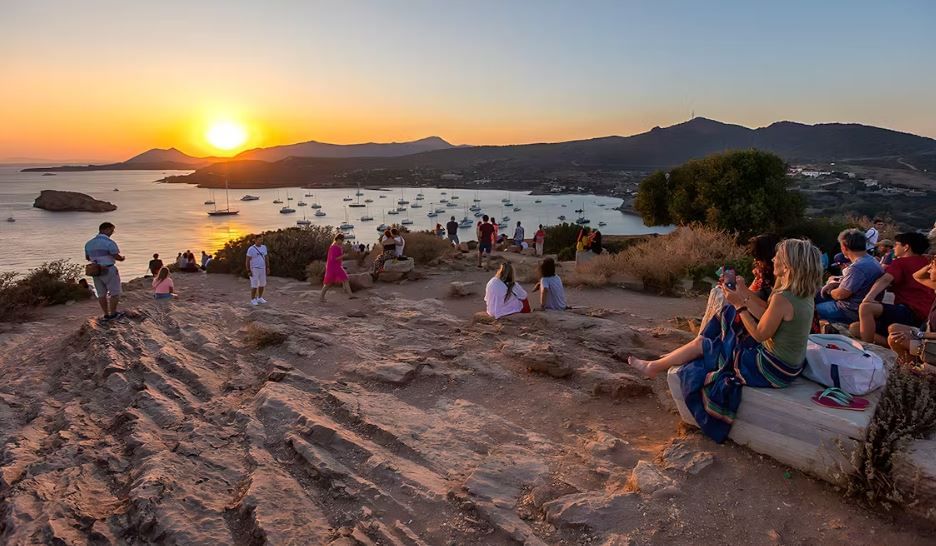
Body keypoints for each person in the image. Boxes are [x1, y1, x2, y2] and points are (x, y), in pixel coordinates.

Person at [629, 239, 822, 443]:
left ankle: (653, 367)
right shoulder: (801, 294)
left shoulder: (783, 298)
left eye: (778, 257)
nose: (773, 259)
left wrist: (739, 305)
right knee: (724, 329)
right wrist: (743, 292)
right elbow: (766, 314)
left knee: (706, 344)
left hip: (770, 369)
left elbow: (759, 334)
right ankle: (668, 359)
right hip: (790, 367)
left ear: (788, 266)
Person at [855, 232, 935, 345]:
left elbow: (885, 280)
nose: (894, 248)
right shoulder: (927, 262)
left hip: (911, 311)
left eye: (896, 244)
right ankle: (892, 344)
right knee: (856, 327)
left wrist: (868, 298)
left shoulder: (901, 262)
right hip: (926, 316)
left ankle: (867, 348)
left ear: (906, 247)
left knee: (866, 308)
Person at [700, 234, 780, 327]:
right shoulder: (764, 275)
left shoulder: (778, 279)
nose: (755, 262)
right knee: (719, 291)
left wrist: (742, 292)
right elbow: (751, 293)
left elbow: (767, 308)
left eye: (758, 258)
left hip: (755, 319)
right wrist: (737, 288)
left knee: (720, 295)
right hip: (748, 311)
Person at [815, 229, 883, 325]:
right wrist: (838, 284)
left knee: (811, 309)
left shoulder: (857, 267)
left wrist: (829, 291)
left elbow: (840, 294)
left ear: (844, 247)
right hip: (865, 306)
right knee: (817, 295)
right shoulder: (872, 260)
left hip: (849, 311)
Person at [888, 257, 936, 363]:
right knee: (894, 328)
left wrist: (919, 335)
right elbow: (917, 276)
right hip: (928, 336)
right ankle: (918, 363)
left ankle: (915, 367)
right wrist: (931, 265)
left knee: (894, 339)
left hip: (932, 342)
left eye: (933, 267)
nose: (929, 270)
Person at [84, 222, 126, 321]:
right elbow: (115, 255)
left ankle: (106, 314)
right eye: (112, 230)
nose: (112, 232)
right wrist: (122, 258)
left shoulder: (89, 243)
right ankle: (113, 313)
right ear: (106, 229)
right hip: (108, 269)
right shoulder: (109, 243)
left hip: (96, 271)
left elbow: (87, 257)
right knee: (114, 292)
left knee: (101, 294)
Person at [320, 233, 356, 302]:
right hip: (333, 267)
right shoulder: (333, 247)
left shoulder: (338, 246)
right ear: (338, 239)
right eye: (342, 240)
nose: (342, 241)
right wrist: (343, 256)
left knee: (345, 279)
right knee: (328, 283)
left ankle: (351, 295)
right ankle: (321, 297)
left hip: (337, 266)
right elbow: (333, 259)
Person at [245, 235, 270, 305]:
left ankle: (260, 298)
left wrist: (268, 267)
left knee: (262, 284)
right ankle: (253, 299)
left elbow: (266, 257)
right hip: (254, 269)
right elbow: (247, 260)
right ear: (255, 240)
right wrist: (248, 270)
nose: (261, 241)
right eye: (259, 240)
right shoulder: (251, 249)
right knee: (254, 285)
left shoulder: (264, 247)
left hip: (263, 268)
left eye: (262, 240)